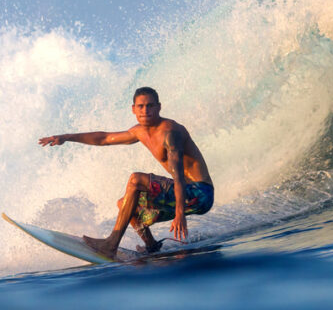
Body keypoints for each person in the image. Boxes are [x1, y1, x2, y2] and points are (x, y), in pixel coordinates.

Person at [38, 87, 214, 258]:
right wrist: (66, 137)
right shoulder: (139, 131)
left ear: (159, 107)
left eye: (150, 105)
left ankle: (110, 245)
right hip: (184, 194)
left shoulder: (170, 132)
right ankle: (152, 246)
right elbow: (104, 138)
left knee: (135, 180)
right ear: (133, 109)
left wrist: (179, 213)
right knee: (125, 205)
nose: (145, 110)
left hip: (199, 193)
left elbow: (178, 177)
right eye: (140, 106)